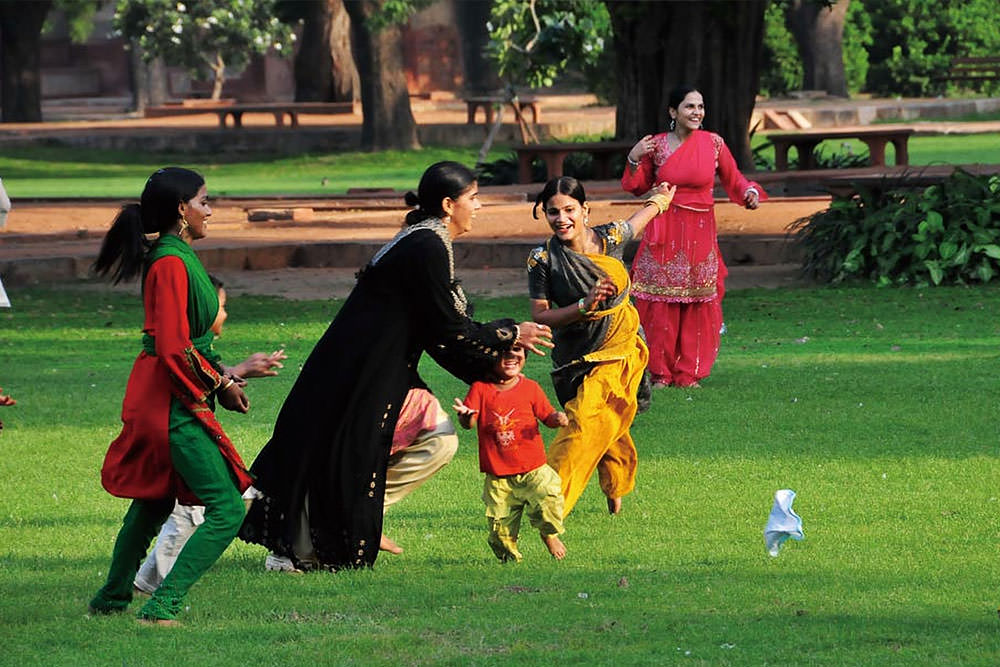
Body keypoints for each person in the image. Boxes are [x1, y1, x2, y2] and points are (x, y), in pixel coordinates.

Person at [239, 161, 553, 571]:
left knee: (437, 437)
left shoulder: (428, 240)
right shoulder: (425, 245)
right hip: (357, 373)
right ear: (447, 204)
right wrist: (509, 333)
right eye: (473, 198)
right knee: (330, 453)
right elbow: (449, 328)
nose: (478, 207)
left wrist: (498, 357)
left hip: (384, 370)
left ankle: (357, 518)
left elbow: (441, 328)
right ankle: (301, 549)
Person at [88, 167, 254, 626]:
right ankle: (162, 605)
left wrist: (222, 376)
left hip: (168, 394)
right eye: (204, 201)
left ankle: (112, 598)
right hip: (167, 402)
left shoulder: (176, 255)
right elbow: (171, 346)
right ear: (182, 209)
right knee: (225, 507)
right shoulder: (169, 262)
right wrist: (221, 383)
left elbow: (186, 344)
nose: (210, 211)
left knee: (155, 500)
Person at [528, 176, 675, 516]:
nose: (561, 218)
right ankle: (616, 488)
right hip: (575, 356)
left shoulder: (608, 238)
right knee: (608, 423)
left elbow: (640, 219)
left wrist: (660, 199)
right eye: (553, 212)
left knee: (583, 422)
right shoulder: (542, 259)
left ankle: (545, 501)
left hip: (621, 347)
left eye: (569, 210)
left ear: (585, 210)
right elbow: (541, 315)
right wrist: (583, 306)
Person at [134, 276, 286, 594]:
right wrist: (232, 378)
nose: (225, 314)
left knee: (190, 506)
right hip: (182, 431)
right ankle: (157, 593)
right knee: (213, 505)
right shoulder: (179, 347)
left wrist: (237, 372)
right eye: (222, 307)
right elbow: (189, 376)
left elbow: (202, 371)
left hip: (183, 430)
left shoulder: (193, 347)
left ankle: (140, 584)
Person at [622, 84, 766, 389]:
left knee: (697, 301)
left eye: (700, 107)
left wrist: (749, 192)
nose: (697, 112)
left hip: (700, 233)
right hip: (664, 230)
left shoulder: (713, 143)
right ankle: (660, 372)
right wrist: (634, 158)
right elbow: (636, 186)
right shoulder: (656, 146)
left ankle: (689, 373)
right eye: (690, 107)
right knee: (659, 301)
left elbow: (734, 178)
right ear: (673, 112)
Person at [453, 344, 569, 562]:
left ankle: (549, 534)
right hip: (499, 476)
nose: (512, 357)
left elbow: (547, 416)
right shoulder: (480, 388)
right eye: (505, 353)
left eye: (518, 352)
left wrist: (558, 418)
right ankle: (510, 560)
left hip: (534, 469)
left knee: (549, 504)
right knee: (500, 531)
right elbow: (469, 422)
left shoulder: (530, 388)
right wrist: (466, 416)